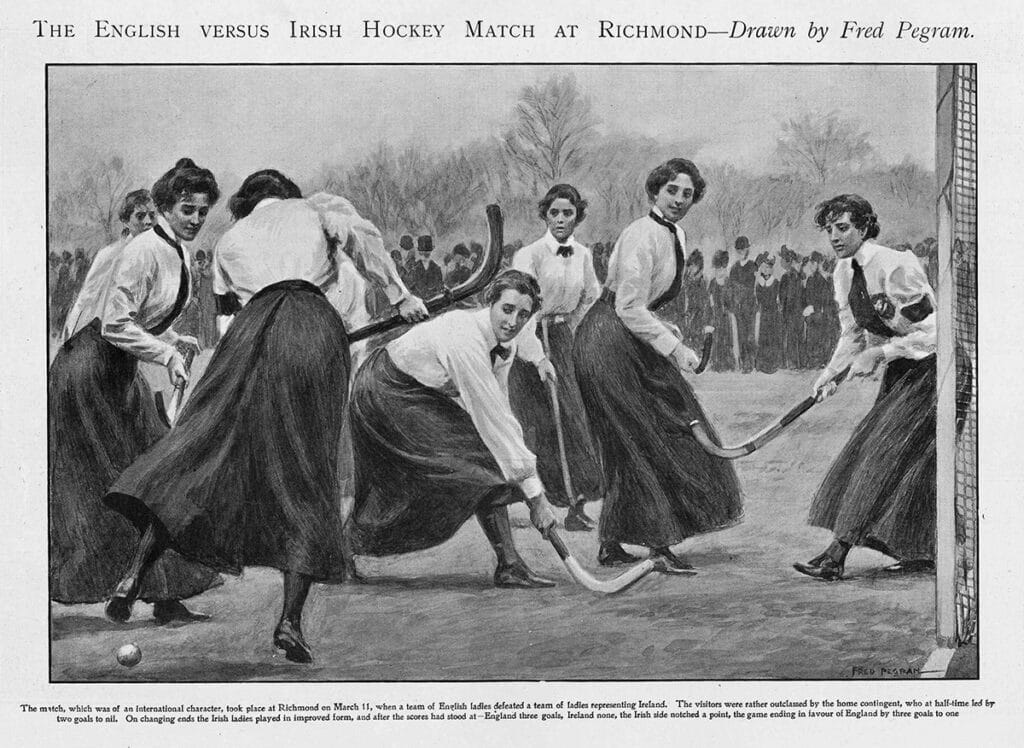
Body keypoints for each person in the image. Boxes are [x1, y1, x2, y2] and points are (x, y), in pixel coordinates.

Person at [103, 169, 427, 664]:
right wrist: (401, 295)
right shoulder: (316, 207)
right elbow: (365, 242)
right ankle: (290, 622)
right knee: (306, 471)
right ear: (284, 195)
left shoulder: (230, 240)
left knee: (205, 455)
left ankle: (134, 572)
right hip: (309, 328)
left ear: (245, 203)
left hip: (247, 339)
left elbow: (229, 314)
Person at [49, 159, 221, 620]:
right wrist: (165, 354)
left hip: (116, 372)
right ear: (165, 205)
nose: (196, 219)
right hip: (88, 375)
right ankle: (153, 592)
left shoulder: (178, 251)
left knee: (157, 474)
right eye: (187, 208)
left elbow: (141, 321)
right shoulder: (142, 250)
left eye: (203, 210)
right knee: (124, 479)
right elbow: (113, 324)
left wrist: (172, 339)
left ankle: (160, 594)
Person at [573, 158, 743, 570]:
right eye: (673, 191)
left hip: (628, 335)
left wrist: (662, 327)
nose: (680, 200)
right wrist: (675, 350)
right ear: (655, 192)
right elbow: (627, 306)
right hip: (606, 342)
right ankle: (657, 544)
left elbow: (640, 305)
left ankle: (613, 540)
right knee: (642, 435)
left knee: (672, 426)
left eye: (688, 194)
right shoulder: (640, 234)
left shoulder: (677, 234)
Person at [346, 270, 559, 588]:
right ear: (490, 304)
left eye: (523, 314)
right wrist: (537, 499)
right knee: (406, 489)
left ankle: (509, 564)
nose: (513, 321)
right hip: (384, 390)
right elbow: (493, 418)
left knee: (487, 457)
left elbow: (496, 410)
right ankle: (342, 548)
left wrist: (527, 485)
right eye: (507, 309)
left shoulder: (505, 345)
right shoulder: (466, 338)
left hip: (416, 392)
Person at [793, 194, 967, 580]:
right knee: (907, 464)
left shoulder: (896, 265)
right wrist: (830, 375)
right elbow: (853, 334)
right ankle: (925, 551)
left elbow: (936, 332)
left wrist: (882, 352)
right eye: (829, 230)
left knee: (879, 455)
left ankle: (835, 556)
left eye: (843, 228)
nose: (835, 237)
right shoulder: (842, 272)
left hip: (939, 371)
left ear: (864, 227)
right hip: (904, 372)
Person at [509, 184, 603, 531]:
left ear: (578, 215)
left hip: (561, 341)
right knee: (537, 425)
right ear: (545, 215)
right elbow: (519, 308)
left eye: (568, 213)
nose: (561, 220)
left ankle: (576, 506)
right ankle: (535, 503)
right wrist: (537, 357)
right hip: (528, 342)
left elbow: (590, 297)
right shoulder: (529, 255)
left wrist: (573, 333)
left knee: (574, 419)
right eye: (555, 213)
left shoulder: (583, 255)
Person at [61, 188, 157, 343]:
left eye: (152, 215)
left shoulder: (158, 256)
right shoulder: (110, 255)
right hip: (105, 337)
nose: (148, 222)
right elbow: (86, 299)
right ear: (126, 221)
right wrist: (69, 339)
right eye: (140, 216)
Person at [729, 236, 757, 372]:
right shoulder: (734, 268)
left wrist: (742, 291)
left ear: (747, 250)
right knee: (741, 335)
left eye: (743, 250)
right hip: (738, 306)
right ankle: (742, 362)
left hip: (749, 305)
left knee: (750, 335)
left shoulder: (752, 265)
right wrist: (734, 303)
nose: (741, 253)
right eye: (738, 250)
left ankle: (749, 363)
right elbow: (731, 287)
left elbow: (752, 286)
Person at [801, 251, 832, 368]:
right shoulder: (809, 280)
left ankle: (819, 361)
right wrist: (806, 309)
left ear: (818, 264)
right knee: (810, 338)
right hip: (810, 316)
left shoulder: (822, 281)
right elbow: (805, 297)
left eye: (813, 263)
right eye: (811, 263)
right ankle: (812, 361)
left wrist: (814, 308)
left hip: (819, 315)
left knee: (818, 338)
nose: (811, 265)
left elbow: (826, 300)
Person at [754, 252, 782, 373]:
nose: (766, 270)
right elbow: (758, 299)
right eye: (764, 267)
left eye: (769, 267)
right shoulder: (759, 283)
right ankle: (762, 364)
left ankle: (772, 364)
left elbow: (777, 299)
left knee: (772, 338)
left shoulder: (775, 282)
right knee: (763, 337)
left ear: (772, 269)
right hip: (764, 314)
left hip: (773, 313)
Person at [778, 245, 805, 369]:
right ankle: (797, 363)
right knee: (796, 336)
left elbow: (784, 297)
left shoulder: (790, 276)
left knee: (793, 337)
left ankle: (794, 363)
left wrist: (782, 309)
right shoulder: (795, 275)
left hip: (792, 311)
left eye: (782, 260)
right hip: (795, 311)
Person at [708, 249, 734, 372]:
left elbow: (731, 299)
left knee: (727, 338)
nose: (720, 272)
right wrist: (713, 308)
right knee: (717, 339)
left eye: (723, 269)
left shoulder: (728, 282)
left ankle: (728, 363)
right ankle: (717, 364)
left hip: (726, 315)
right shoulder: (713, 283)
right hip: (716, 315)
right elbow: (709, 298)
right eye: (718, 270)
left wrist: (728, 308)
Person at [406, 234, 445, 299]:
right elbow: (410, 288)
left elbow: (440, 286)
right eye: (422, 252)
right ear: (419, 252)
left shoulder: (436, 268)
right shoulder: (414, 269)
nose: (424, 255)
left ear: (431, 252)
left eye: (427, 253)